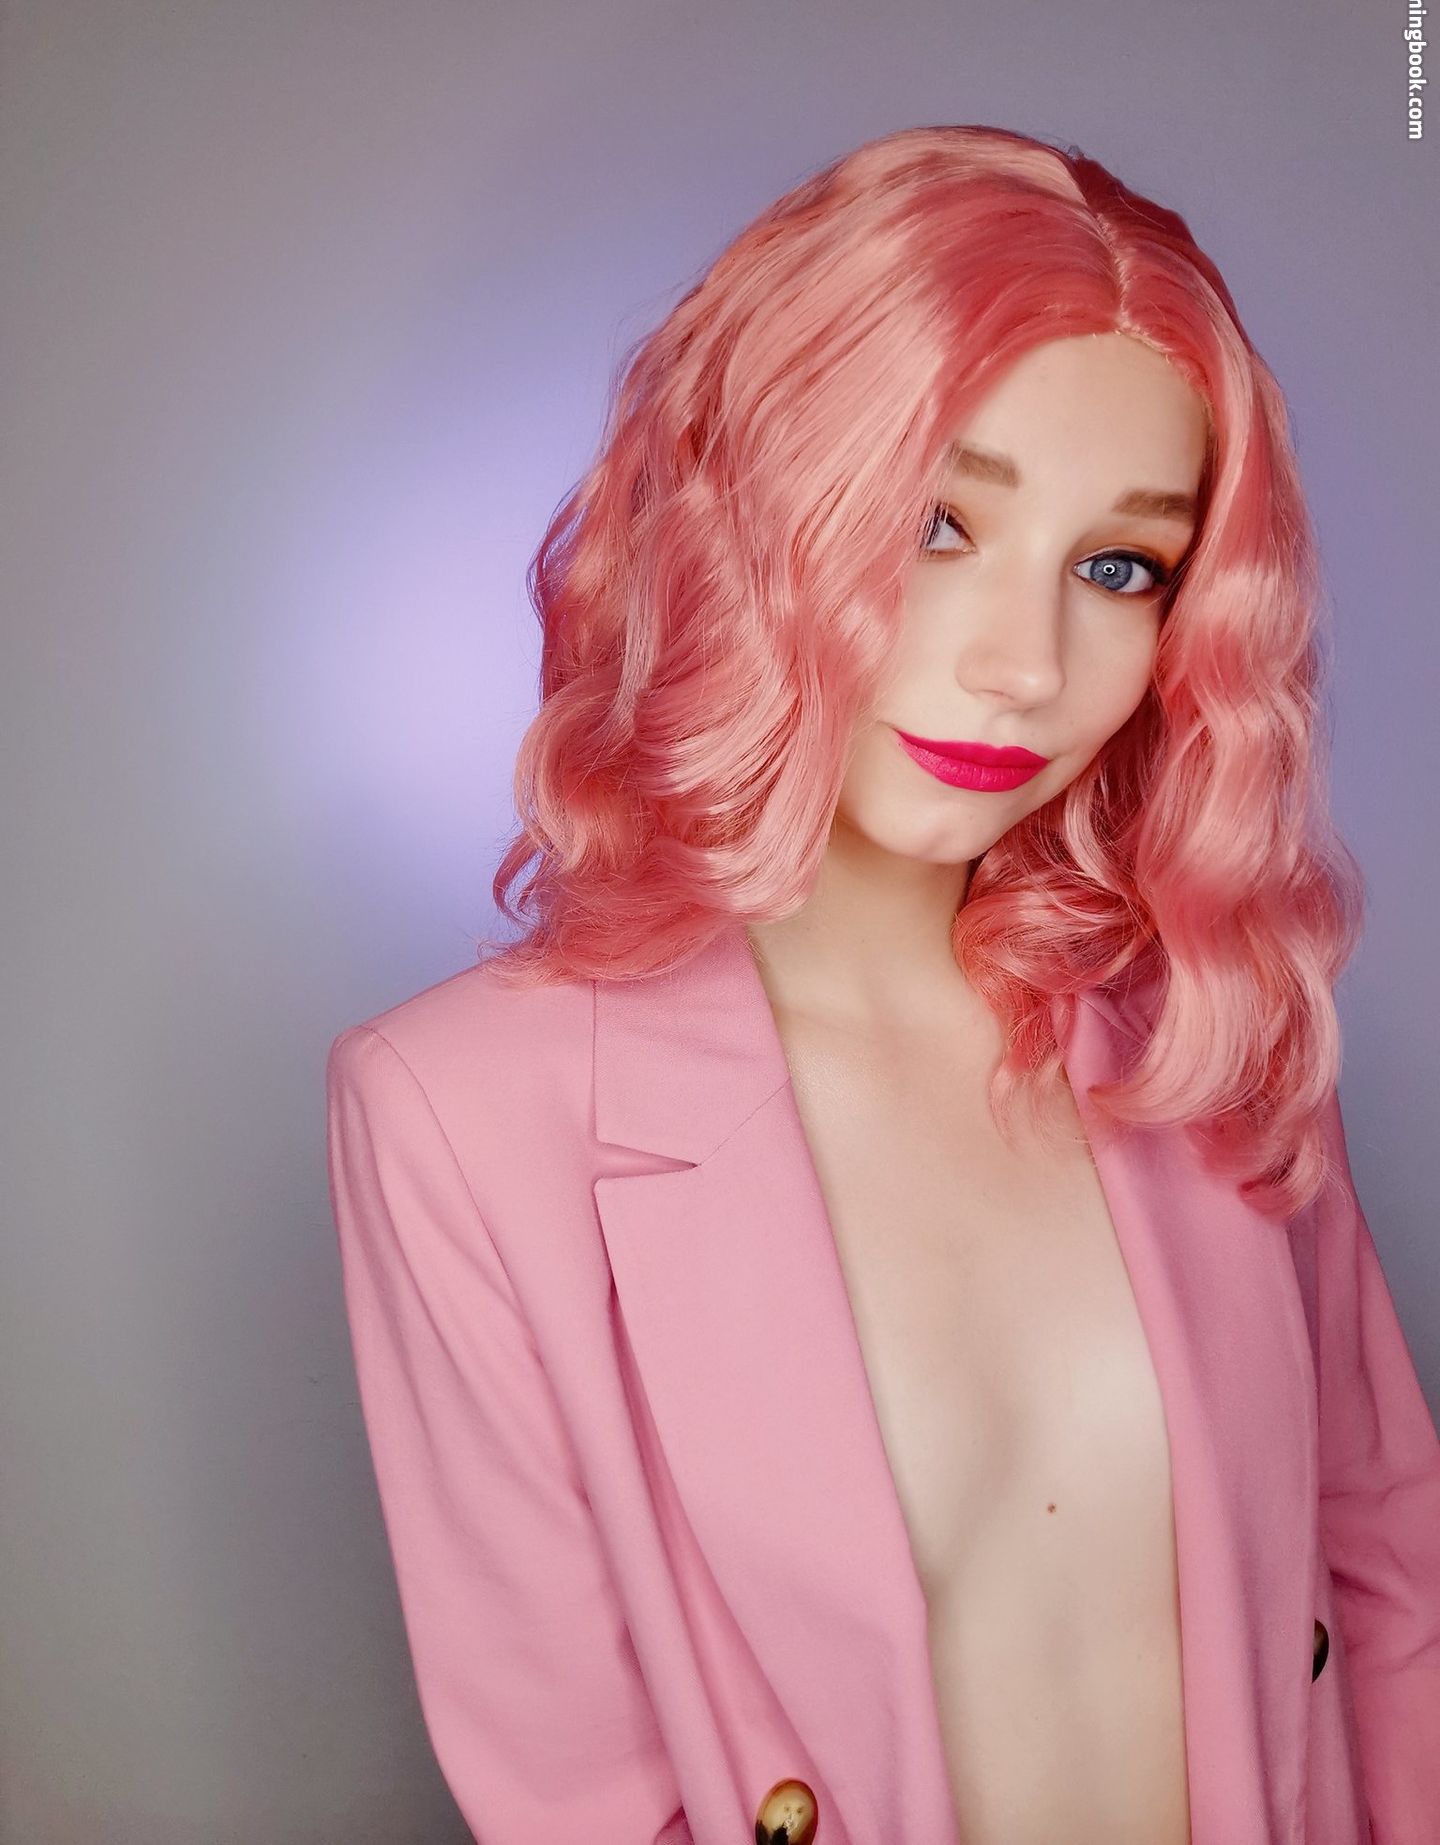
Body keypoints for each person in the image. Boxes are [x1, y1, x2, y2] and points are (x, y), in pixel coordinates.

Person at [324, 125, 1440, 1845]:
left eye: (1118, 567)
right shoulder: (460, 1114)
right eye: (938, 524)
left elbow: (1387, 1580)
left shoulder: (1205, 1025)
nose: (1023, 665)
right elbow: (579, 1789)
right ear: (750, 512)